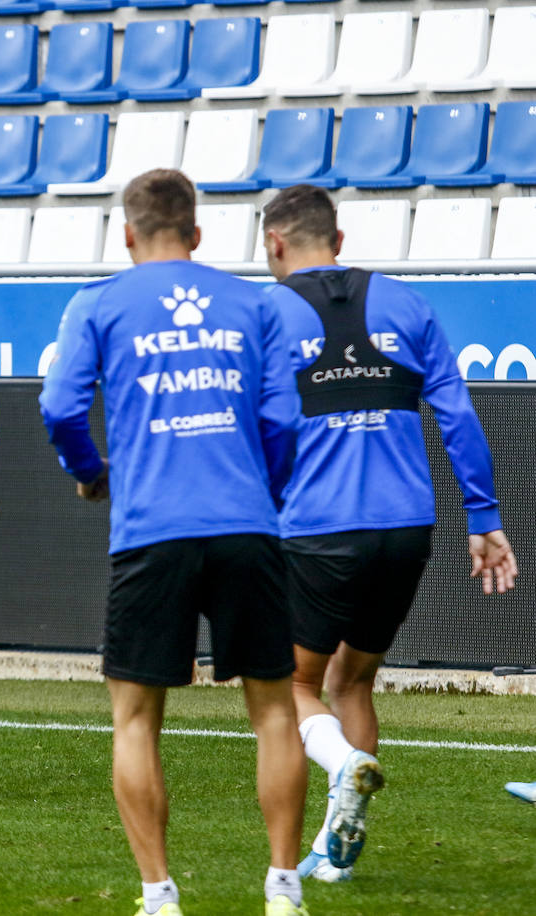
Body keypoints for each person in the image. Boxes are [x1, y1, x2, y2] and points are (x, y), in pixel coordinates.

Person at [39, 169, 308, 916]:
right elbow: (283, 421)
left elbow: (59, 405)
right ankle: (283, 888)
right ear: (197, 232)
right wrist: (266, 491)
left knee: (135, 719)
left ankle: (159, 895)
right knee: (277, 713)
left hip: (152, 529)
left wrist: (91, 473)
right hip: (245, 524)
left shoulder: (98, 303)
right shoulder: (256, 303)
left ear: (128, 235)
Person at [260, 184, 518, 881]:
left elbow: (265, 430)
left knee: (290, 688)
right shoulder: (408, 303)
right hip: (407, 528)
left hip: (318, 528)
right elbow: (458, 416)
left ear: (275, 246)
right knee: (355, 680)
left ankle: (345, 765)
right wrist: (485, 518)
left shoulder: (267, 312)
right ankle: (335, 852)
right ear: (338, 242)